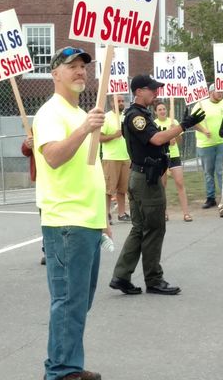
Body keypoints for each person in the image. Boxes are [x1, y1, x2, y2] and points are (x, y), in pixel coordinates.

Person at [32, 46, 109, 380]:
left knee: (79, 302)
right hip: (66, 222)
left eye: (83, 66)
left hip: (88, 222)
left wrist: (103, 219)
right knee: (68, 301)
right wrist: (83, 130)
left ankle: (68, 365)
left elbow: (92, 170)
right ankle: (61, 371)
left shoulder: (81, 113)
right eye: (72, 66)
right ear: (55, 73)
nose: (80, 71)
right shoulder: (51, 113)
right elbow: (52, 157)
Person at [110, 74, 205, 296]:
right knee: (154, 228)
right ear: (139, 91)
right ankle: (154, 279)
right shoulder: (136, 116)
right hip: (146, 180)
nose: (156, 93)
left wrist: (176, 129)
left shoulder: (141, 114)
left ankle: (121, 276)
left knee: (140, 228)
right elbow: (157, 140)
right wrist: (183, 125)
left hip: (142, 176)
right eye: (152, 89)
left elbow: (158, 139)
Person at [153, 102, 192, 222]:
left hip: (174, 155)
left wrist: (175, 136)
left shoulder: (173, 122)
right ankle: (164, 212)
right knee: (162, 185)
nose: (162, 111)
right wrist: (167, 139)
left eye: (164, 109)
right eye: (159, 110)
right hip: (161, 156)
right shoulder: (154, 124)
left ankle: (186, 213)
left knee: (180, 183)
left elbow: (180, 139)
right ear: (155, 112)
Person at [192, 84, 223, 208]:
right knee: (208, 172)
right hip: (205, 145)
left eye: (222, 91)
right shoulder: (200, 104)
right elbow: (193, 122)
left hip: (221, 143)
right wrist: (203, 130)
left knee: (221, 171)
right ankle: (210, 197)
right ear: (211, 92)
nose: (221, 93)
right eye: (218, 91)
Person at [100, 94, 131, 223]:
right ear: (112, 103)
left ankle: (121, 213)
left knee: (123, 189)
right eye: (118, 101)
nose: (121, 103)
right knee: (109, 189)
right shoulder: (106, 118)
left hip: (126, 157)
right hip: (111, 158)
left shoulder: (127, 117)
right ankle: (105, 214)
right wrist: (114, 135)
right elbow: (99, 138)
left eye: (122, 101)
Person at [21, 132, 46, 266]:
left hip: (61, 176)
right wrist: (27, 144)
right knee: (46, 216)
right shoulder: (36, 127)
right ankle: (48, 249)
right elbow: (25, 150)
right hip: (43, 178)